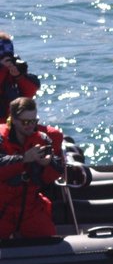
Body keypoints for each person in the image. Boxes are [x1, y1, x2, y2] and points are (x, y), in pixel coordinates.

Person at [0, 97, 67, 239]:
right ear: (13, 119)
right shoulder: (1, 139)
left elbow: (54, 172)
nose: (30, 125)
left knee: (50, 242)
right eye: (25, 122)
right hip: (3, 206)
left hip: (30, 206)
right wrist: (24, 159)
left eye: (33, 121)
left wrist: (47, 164)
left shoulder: (42, 139)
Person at [0, 33, 40, 112]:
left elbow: (29, 94)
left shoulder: (13, 71)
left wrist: (19, 77)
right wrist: (2, 69)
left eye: (9, 55)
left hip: (11, 119)